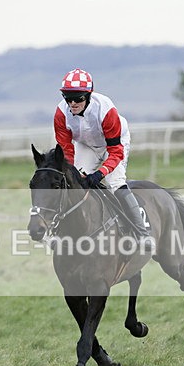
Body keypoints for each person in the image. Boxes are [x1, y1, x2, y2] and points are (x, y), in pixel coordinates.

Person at [54, 68, 155, 253]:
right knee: (72, 182)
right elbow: (66, 150)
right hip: (86, 144)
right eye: (68, 98)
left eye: (79, 98)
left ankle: (142, 233)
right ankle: (62, 231)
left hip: (113, 144)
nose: (73, 103)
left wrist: (99, 173)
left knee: (114, 181)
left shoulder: (106, 110)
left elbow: (116, 152)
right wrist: (74, 173)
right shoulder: (61, 113)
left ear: (89, 95)